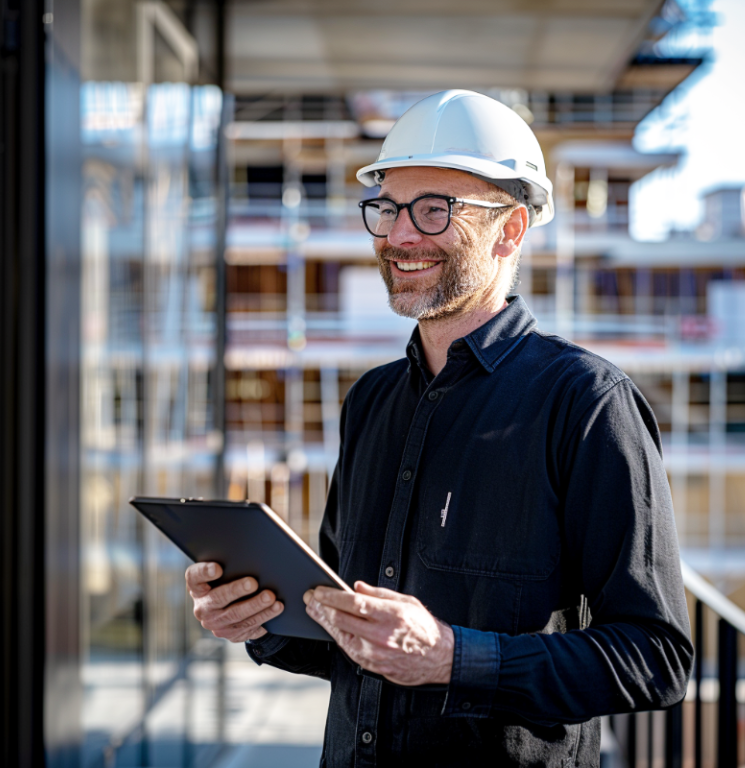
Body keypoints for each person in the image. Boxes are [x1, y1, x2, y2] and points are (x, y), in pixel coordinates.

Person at [186, 90, 693, 767]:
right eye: (387, 209)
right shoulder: (370, 400)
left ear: (509, 231)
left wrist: (453, 658)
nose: (398, 236)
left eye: (434, 210)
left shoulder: (587, 404)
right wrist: (261, 620)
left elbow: (654, 658)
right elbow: (349, 630)